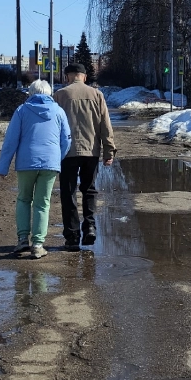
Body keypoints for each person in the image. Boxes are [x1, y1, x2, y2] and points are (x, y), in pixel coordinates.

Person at [0, 80, 72, 259]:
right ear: (50, 93)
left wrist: (3, 166)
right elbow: (67, 139)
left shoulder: (22, 111)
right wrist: (56, 158)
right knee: (42, 203)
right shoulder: (59, 111)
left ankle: (23, 239)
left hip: (26, 162)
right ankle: (38, 245)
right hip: (50, 164)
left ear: (30, 93)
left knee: (23, 199)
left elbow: (11, 140)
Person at [54, 63, 116, 250]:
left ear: (67, 77)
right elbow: (105, 124)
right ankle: (89, 226)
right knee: (89, 190)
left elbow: (53, 126)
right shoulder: (97, 95)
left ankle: (72, 236)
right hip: (91, 151)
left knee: (68, 192)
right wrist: (109, 151)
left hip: (67, 152)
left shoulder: (60, 95)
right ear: (84, 77)